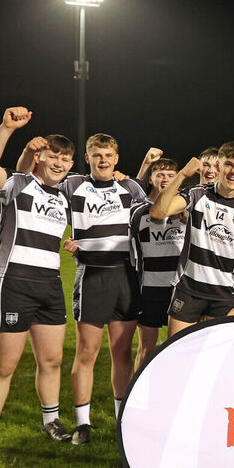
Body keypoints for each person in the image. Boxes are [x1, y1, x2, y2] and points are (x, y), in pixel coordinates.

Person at [0, 106, 75, 461]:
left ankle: (51, 421)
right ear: (41, 156)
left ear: (71, 164)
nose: (59, 163)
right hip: (13, 283)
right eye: (53, 156)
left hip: (49, 285)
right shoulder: (19, 185)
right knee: (4, 366)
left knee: (52, 360)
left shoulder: (64, 197)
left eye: (65, 159)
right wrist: (5, 128)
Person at [57, 133, 149, 442]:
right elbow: (43, 192)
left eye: (108, 155)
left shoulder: (131, 187)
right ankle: (83, 424)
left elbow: (153, 217)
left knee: (122, 351)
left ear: (117, 158)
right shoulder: (72, 185)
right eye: (97, 155)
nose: (103, 160)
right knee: (87, 351)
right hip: (92, 275)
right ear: (88, 158)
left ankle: (122, 420)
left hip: (126, 275)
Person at [151, 142, 234, 336]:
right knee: (178, 354)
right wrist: (183, 175)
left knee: (213, 360)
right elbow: (159, 211)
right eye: (228, 164)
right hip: (189, 289)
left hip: (223, 296)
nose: (233, 171)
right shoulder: (198, 194)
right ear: (219, 166)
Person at [128, 157, 185, 369]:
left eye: (171, 175)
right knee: (146, 349)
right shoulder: (138, 210)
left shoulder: (185, 208)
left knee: (180, 348)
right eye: (160, 174)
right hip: (149, 288)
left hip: (180, 288)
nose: (165, 179)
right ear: (150, 179)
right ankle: (138, 397)